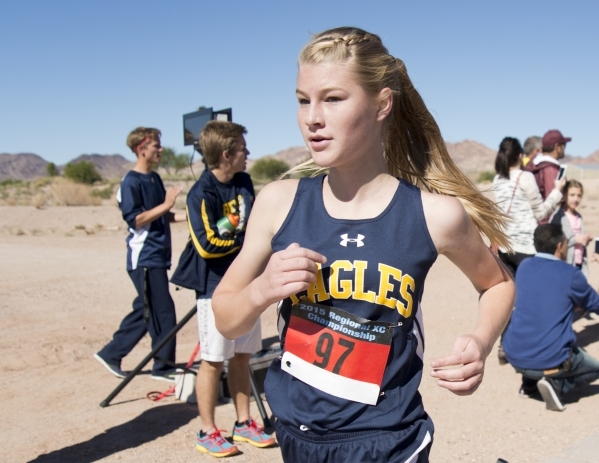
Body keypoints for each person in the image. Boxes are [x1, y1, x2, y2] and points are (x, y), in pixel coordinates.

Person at [210, 27, 515, 462]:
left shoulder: (434, 215)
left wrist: (481, 341)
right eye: (302, 99)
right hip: (297, 438)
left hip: (390, 440)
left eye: (333, 99)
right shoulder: (279, 202)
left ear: (382, 104)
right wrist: (262, 290)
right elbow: (226, 319)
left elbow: (498, 284)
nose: (312, 117)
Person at [171, 120, 275, 457]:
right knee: (213, 359)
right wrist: (247, 243)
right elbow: (207, 245)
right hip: (213, 288)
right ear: (227, 154)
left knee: (243, 356)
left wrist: (249, 244)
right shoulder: (200, 193)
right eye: (244, 148)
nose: (249, 154)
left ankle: (244, 424)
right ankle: (207, 429)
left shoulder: (244, 182)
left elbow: (255, 227)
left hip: (247, 283)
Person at [95, 127, 186, 382]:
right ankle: (163, 367)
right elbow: (135, 219)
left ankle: (111, 353)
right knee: (163, 309)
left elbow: (163, 215)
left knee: (148, 308)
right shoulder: (130, 182)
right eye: (156, 145)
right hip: (144, 256)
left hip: (158, 255)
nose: (161, 149)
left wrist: (190, 217)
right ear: (141, 149)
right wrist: (166, 205)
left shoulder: (154, 179)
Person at [502, 224, 599, 411]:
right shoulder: (570, 274)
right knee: (595, 368)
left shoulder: (524, 266)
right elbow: (595, 304)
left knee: (535, 327)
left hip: (513, 353)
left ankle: (529, 386)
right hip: (550, 358)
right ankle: (557, 386)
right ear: (561, 246)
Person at [492, 137, 564, 276]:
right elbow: (540, 213)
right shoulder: (525, 177)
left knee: (512, 294)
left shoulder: (497, 179)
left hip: (505, 247)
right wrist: (557, 191)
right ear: (520, 155)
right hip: (525, 247)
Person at [550, 179, 592, 276]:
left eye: (579, 196)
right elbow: (554, 240)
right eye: (572, 195)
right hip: (564, 262)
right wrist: (576, 240)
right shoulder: (558, 215)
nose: (575, 199)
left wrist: (585, 239)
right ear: (564, 195)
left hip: (579, 261)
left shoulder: (579, 217)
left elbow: (580, 239)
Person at [525, 129, 571, 203]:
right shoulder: (550, 169)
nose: (564, 148)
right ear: (557, 147)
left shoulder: (533, 164)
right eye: (563, 145)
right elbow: (552, 202)